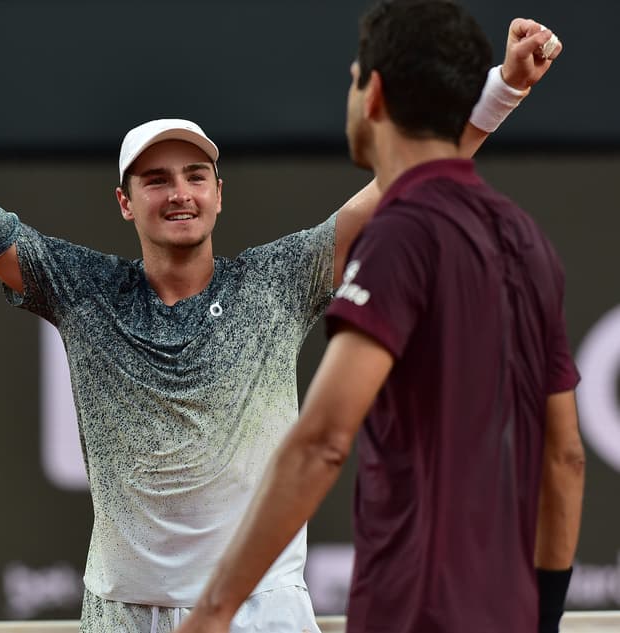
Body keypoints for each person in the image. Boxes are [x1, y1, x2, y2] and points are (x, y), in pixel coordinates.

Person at [0, 15, 560, 632]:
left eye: (195, 176)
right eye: (156, 180)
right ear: (126, 202)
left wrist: (503, 90)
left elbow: (407, 178)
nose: (178, 193)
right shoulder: (79, 287)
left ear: (219, 193)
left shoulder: (279, 281)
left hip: (263, 614)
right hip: (123, 615)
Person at [174, 2, 584, 633]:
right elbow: (565, 460)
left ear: (374, 95)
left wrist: (213, 612)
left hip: (414, 613)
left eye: (353, 77)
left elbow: (323, 442)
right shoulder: (528, 239)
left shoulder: (400, 236)